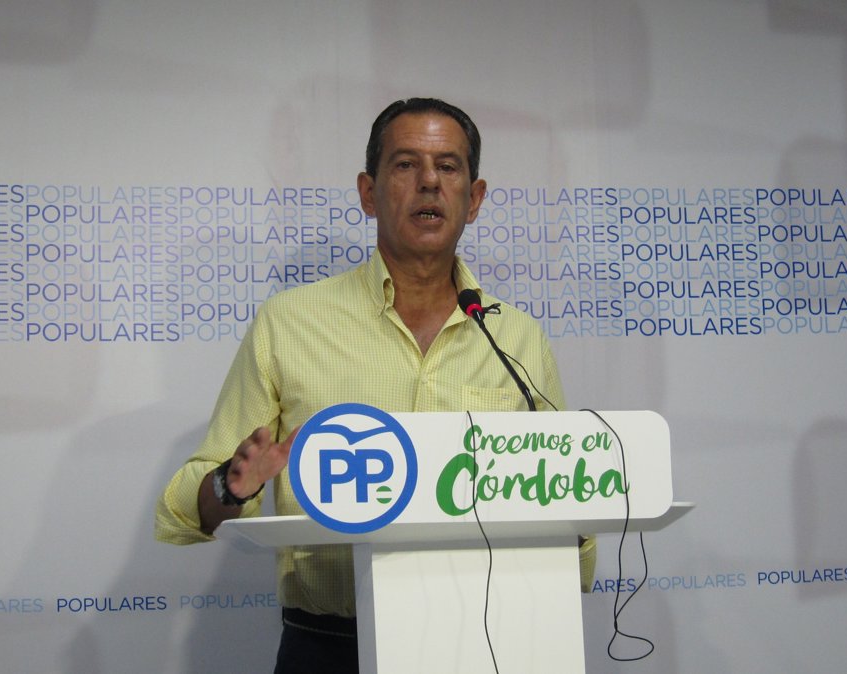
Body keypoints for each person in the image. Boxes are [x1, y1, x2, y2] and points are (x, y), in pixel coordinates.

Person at [155, 97, 594, 674]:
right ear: (368, 192)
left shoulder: (516, 337)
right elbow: (186, 507)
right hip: (330, 648)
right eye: (406, 164)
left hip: (486, 640)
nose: (430, 182)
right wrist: (230, 485)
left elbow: (567, 509)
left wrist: (581, 519)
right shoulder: (290, 323)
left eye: (448, 166)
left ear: (474, 198)